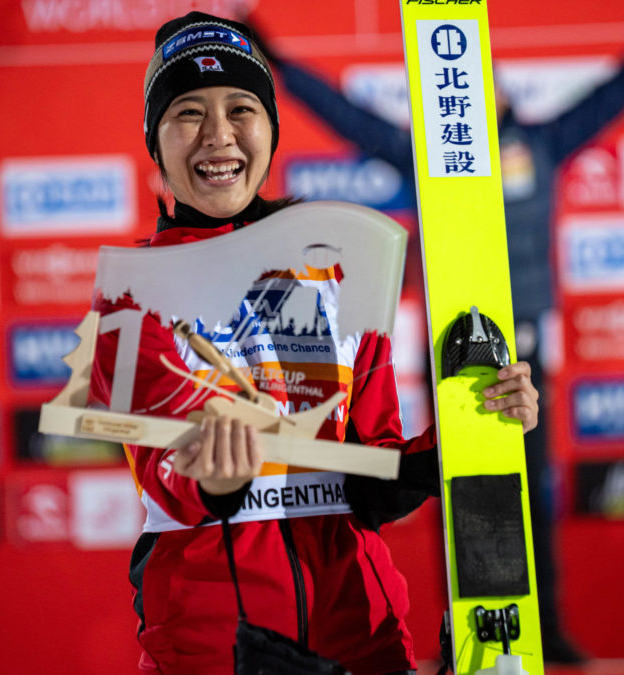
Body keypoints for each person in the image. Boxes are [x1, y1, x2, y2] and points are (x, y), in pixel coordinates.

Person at [248, 0, 624, 663]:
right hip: (457, 356)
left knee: (527, 495)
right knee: (462, 492)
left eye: (481, 76)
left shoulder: (540, 144)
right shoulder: (422, 154)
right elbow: (340, 114)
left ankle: (543, 633)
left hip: (525, 351)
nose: (471, 89)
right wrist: (266, 46)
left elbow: (619, 91)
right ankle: (469, 633)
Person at [86, 12, 540, 674]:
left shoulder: (334, 272)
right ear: (155, 140)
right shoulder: (135, 295)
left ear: (270, 128)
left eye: (242, 107)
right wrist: (213, 480)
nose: (218, 135)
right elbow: (166, 476)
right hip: (216, 649)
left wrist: (468, 437)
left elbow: (372, 471)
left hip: (363, 635)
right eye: (188, 113)